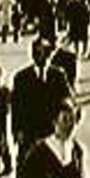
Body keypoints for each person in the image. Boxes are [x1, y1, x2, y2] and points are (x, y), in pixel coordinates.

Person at [11, 36, 73, 169]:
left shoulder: (58, 76)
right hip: (29, 133)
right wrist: (17, 131)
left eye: (45, 53)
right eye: (38, 53)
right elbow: (16, 107)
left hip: (52, 131)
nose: (42, 58)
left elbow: (67, 100)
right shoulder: (21, 78)